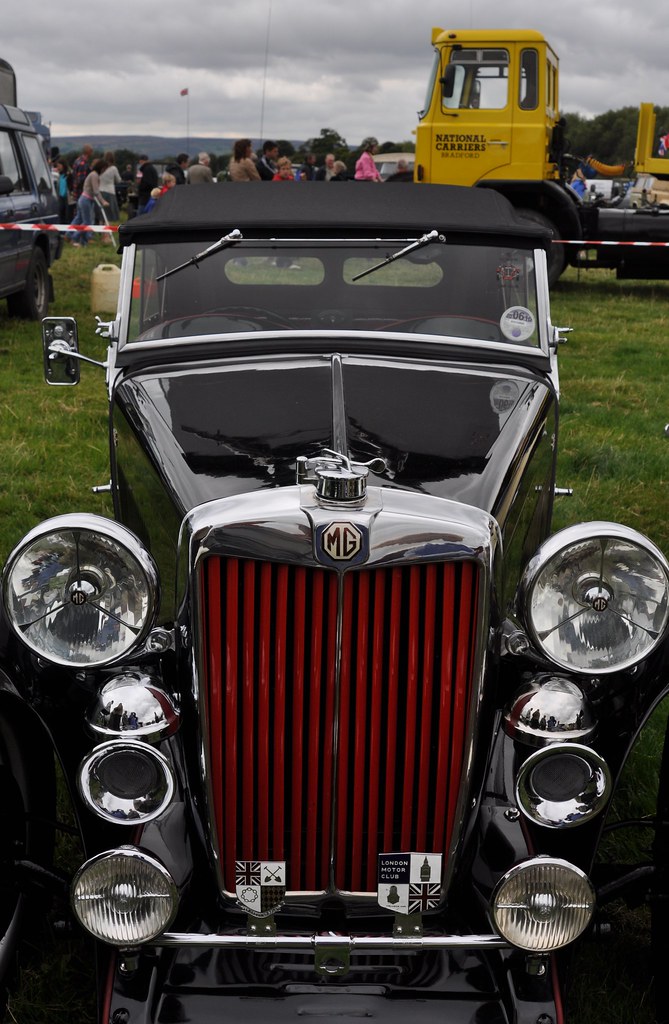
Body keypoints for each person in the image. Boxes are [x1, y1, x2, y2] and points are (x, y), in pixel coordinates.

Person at [68, 158, 109, 246]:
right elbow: (96, 191)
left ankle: (80, 240)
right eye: (104, 169)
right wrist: (103, 201)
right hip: (86, 200)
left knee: (80, 219)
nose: (104, 171)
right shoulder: (94, 175)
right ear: (101, 168)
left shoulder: (93, 174)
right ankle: (74, 238)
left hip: (83, 199)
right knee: (87, 222)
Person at [99, 151, 121, 220]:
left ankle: (101, 228)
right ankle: (106, 229)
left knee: (101, 214)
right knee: (109, 215)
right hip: (110, 192)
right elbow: (119, 180)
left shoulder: (100, 167)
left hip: (100, 192)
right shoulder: (113, 168)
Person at [54, 158, 72, 223]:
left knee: (68, 215)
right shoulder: (59, 175)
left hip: (67, 197)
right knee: (61, 213)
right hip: (61, 197)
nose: (58, 168)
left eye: (59, 166)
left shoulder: (68, 174)